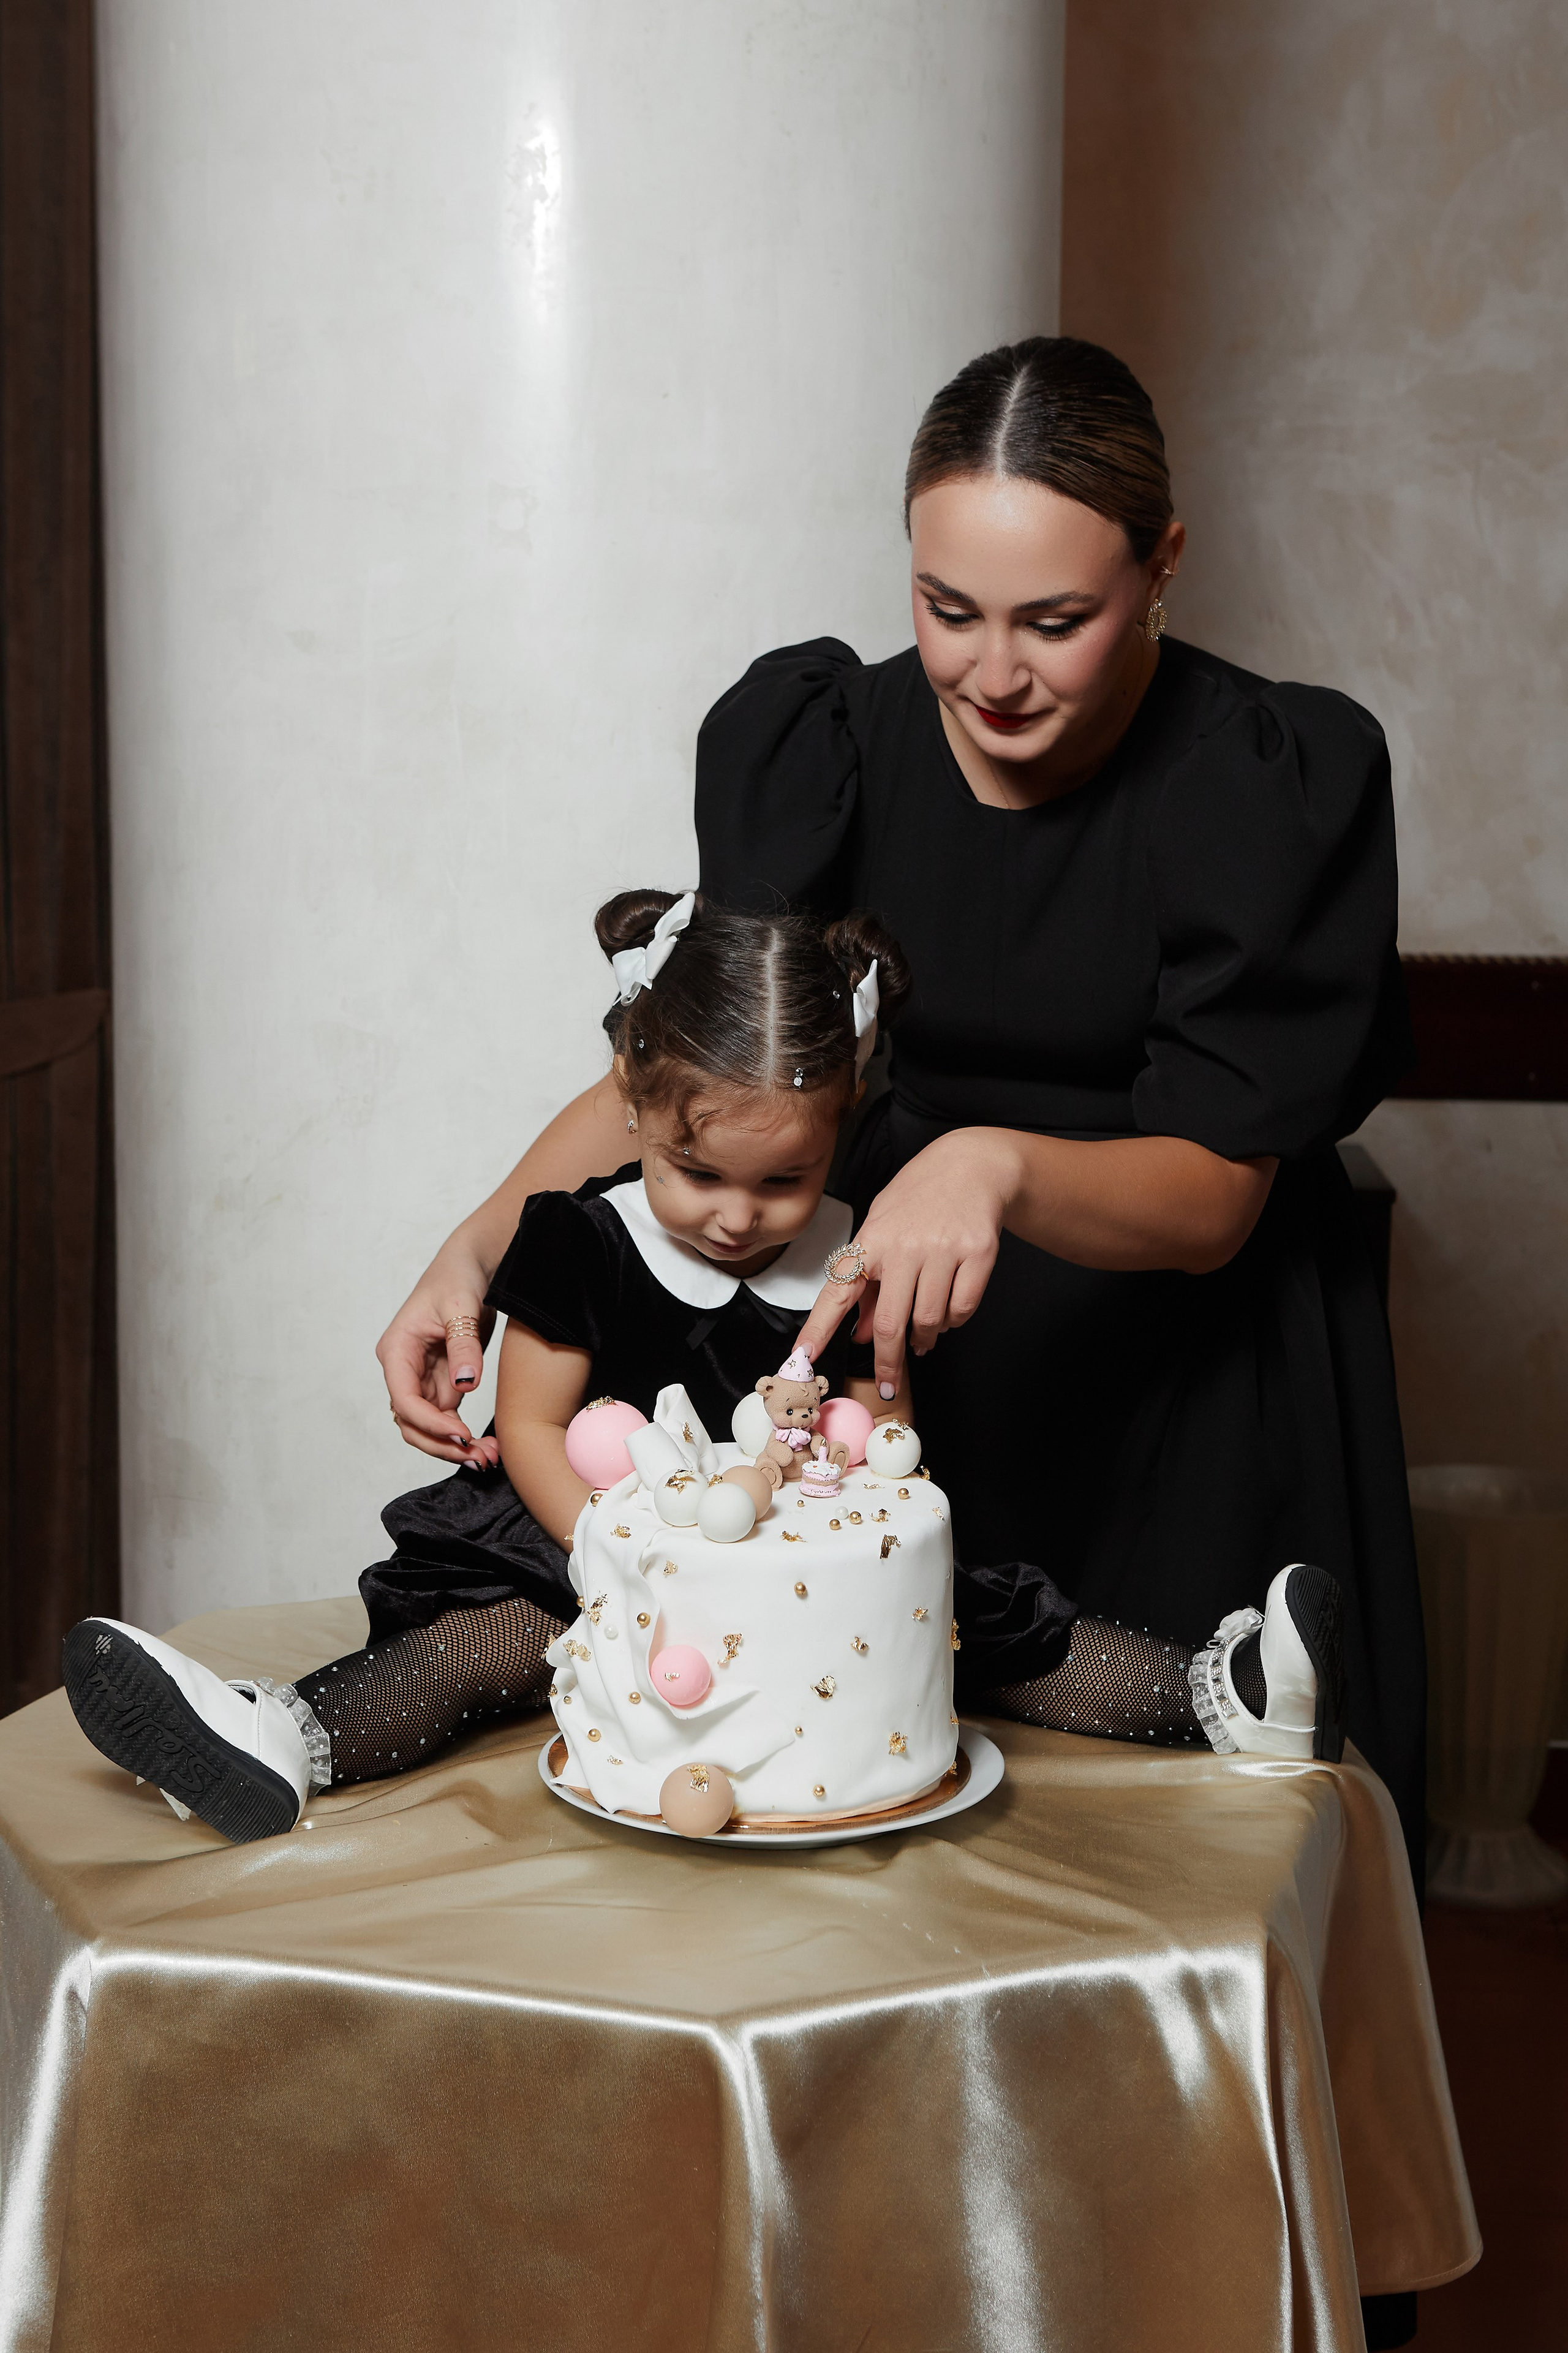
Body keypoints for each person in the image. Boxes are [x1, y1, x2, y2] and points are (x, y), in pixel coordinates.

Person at [376, 336, 1423, 1887]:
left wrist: (987, 1164)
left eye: (1054, 621)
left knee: (1172, 1874)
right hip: (892, 1360)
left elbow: (1216, 1197)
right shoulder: (824, 751)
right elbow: (705, 1074)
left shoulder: (1263, 779)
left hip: (1186, 1384)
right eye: (948, 609)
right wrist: (475, 1244)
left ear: (1163, 566)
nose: (991, 671)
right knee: (856, 1811)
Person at [63, 891, 1341, 1843]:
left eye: (782, 1178)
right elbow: (529, 1425)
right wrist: (629, 1560)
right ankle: (280, 1735)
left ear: (837, 1129)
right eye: (700, 1173)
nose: (738, 1215)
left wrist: (846, 1425)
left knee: (978, 1624)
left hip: (790, 1573)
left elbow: (887, 1428)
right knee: (491, 1646)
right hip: (595, 1547)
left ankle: (1221, 1691)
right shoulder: (577, 1237)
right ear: (631, 1100)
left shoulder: (852, 1251)